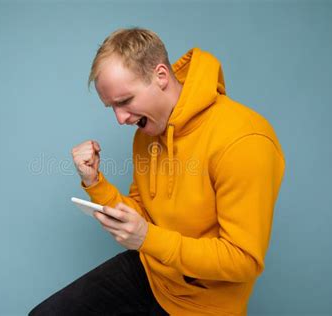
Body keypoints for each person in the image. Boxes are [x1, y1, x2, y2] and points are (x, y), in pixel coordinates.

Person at [29, 27, 285, 315]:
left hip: (203, 304)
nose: (120, 118)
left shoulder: (244, 141)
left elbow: (243, 260)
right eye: (111, 106)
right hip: (152, 271)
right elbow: (142, 216)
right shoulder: (147, 134)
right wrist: (94, 182)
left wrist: (148, 239)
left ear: (161, 76)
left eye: (125, 101)